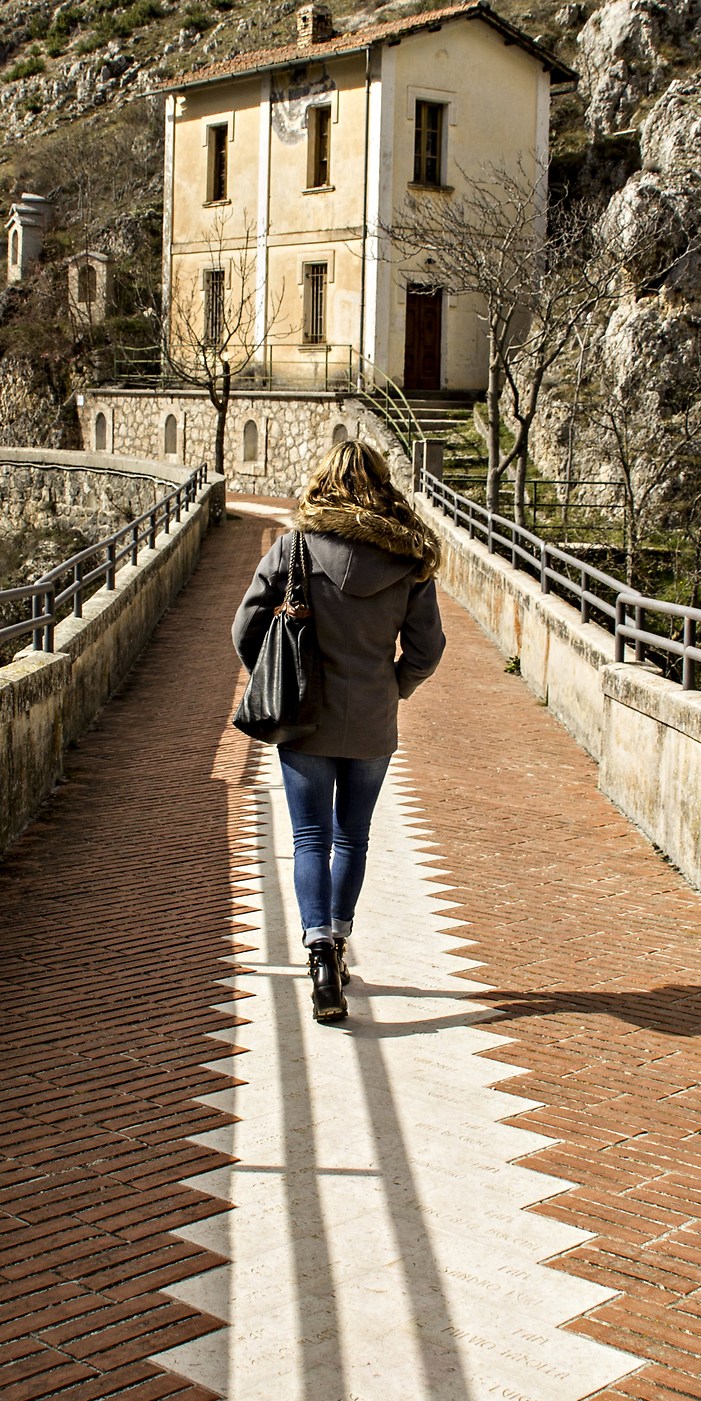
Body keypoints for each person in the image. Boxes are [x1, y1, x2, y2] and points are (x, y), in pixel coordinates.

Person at [232, 438, 446, 1024]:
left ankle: (318, 952)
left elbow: (243, 626)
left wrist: (276, 679)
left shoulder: (293, 549)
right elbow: (429, 649)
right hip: (372, 719)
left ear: (324, 482)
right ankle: (341, 943)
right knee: (352, 837)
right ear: (382, 485)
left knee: (309, 840)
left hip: (304, 718)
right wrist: (395, 685)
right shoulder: (408, 561)